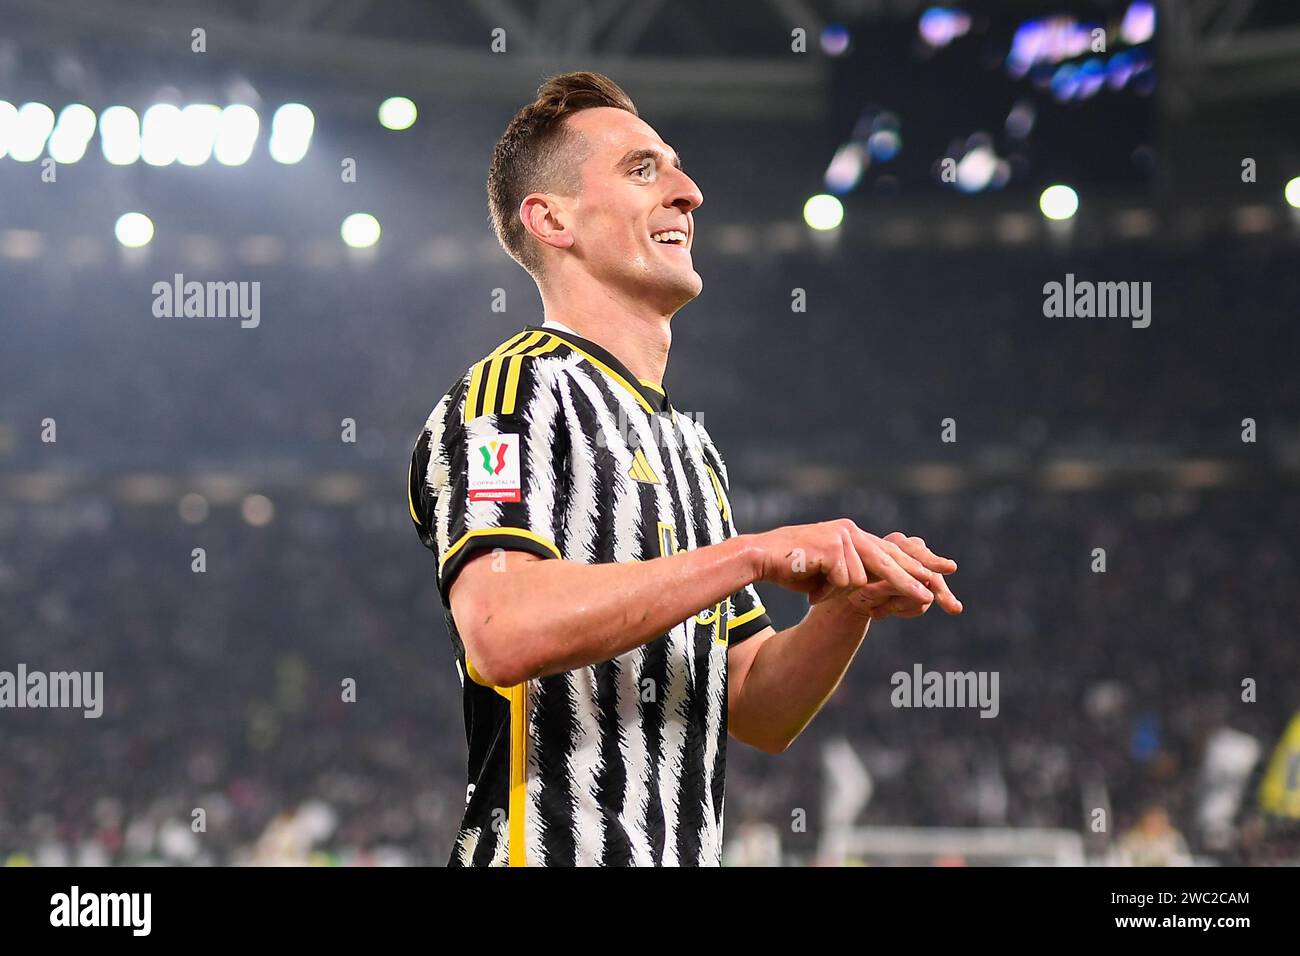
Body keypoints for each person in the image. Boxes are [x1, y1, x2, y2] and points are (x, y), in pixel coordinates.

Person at [408, 71, 963, 866]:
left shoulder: (692, 450)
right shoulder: (509, 397)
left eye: (677, 166)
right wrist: (753, 554)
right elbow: (501, 628)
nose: (689, 192)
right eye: (644, 170)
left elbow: (755, 706)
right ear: (552, 219)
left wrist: (846, 609)